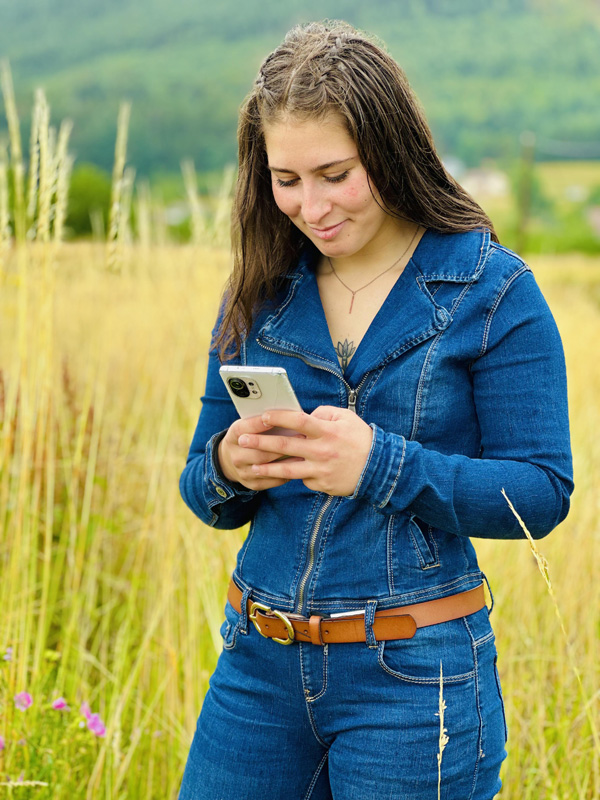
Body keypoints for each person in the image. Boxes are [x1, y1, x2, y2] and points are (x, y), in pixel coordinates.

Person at [178, 20, 573, 800]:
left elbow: (541, 492)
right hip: (257, 667)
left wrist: (378, 466)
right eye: (285, 179)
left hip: (415, 682)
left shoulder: (493, 292)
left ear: (388, 151)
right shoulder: (261, 288)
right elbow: (201, 488)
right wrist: (229, 465)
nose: (309, 205)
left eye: (334, 173)